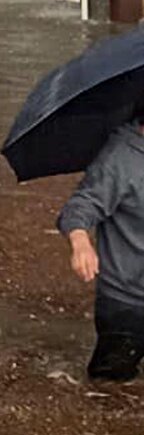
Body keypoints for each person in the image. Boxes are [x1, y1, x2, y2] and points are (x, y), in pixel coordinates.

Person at [58, 123, 144, 381]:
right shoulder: (120, 157)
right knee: (110, 386)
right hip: (128, 301)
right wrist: (81, 242)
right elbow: (80, 206)